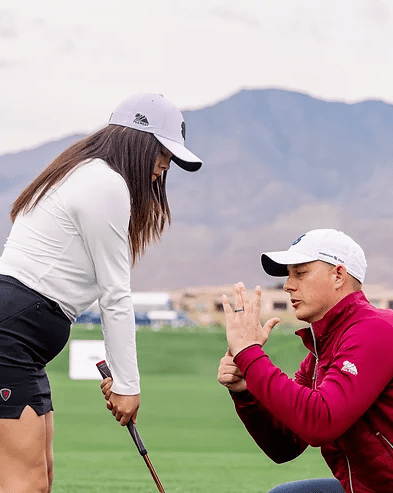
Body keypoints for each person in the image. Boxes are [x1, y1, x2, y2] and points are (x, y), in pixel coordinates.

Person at [0, 93, 202, 493]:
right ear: (139, 142)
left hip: (25, 343)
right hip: (11, 338)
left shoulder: (81, 172)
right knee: (24, 483)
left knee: (38, 480)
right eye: (163, 153)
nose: (164, 168)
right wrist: (127, 384)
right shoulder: (103, 182)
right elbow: (115, 296)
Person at [218, 229, 393, 493]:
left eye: (300, 273)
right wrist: (245, 392)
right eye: (289, 275)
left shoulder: (377, 330)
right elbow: (283, 447)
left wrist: (249, 354)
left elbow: (321, 422)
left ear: (338, 275)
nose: (288, 285)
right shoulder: (320, 354)